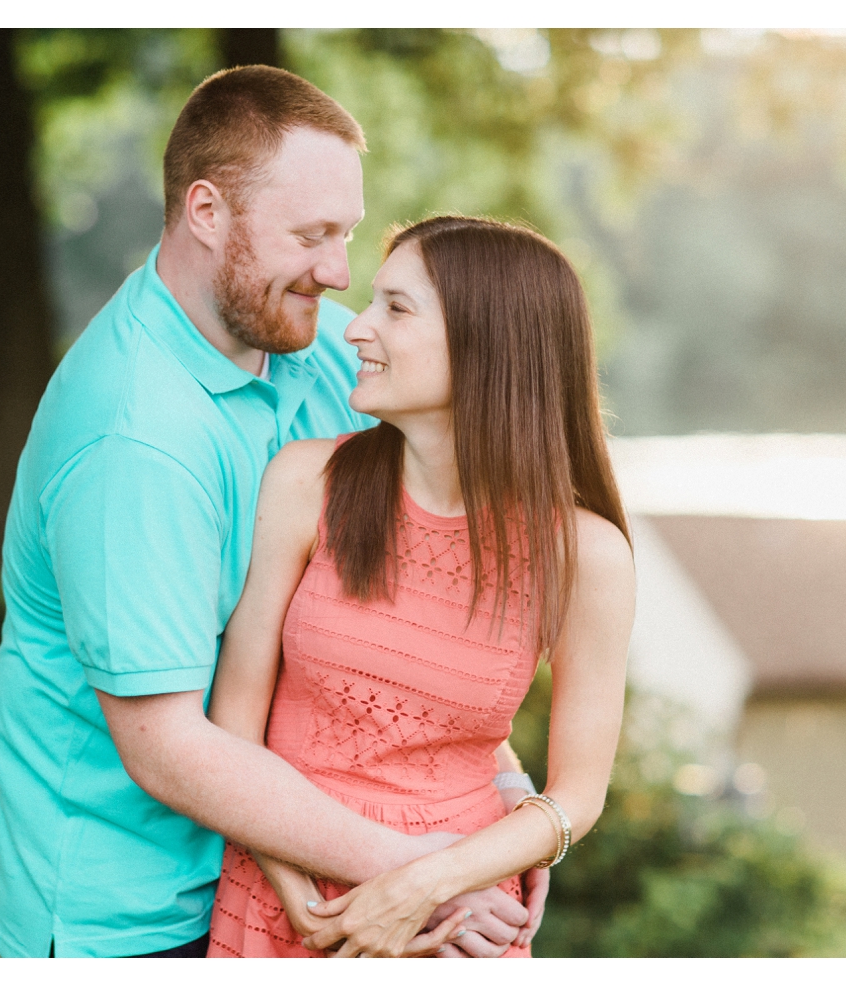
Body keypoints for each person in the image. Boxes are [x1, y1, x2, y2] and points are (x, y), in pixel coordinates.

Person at [0, 66, 542, 959]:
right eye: (313, 235)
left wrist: (503, 792)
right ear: (206, 213)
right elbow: (165, 747)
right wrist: (425, 876)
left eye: (348, 233)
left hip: (290, 862)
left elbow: (427, 563)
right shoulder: (136, 442)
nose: (339, 272)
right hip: (130, 906)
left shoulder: (313, 341)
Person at [205, 215, 637, 957]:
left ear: (488, 344)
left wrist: (430, 885)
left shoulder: (586, 556)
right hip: (281, 900)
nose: (356, 330)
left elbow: (576, 795)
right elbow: (233, 731)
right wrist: (298, 895)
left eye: (396, 310)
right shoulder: (307, 481)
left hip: (457, 925)